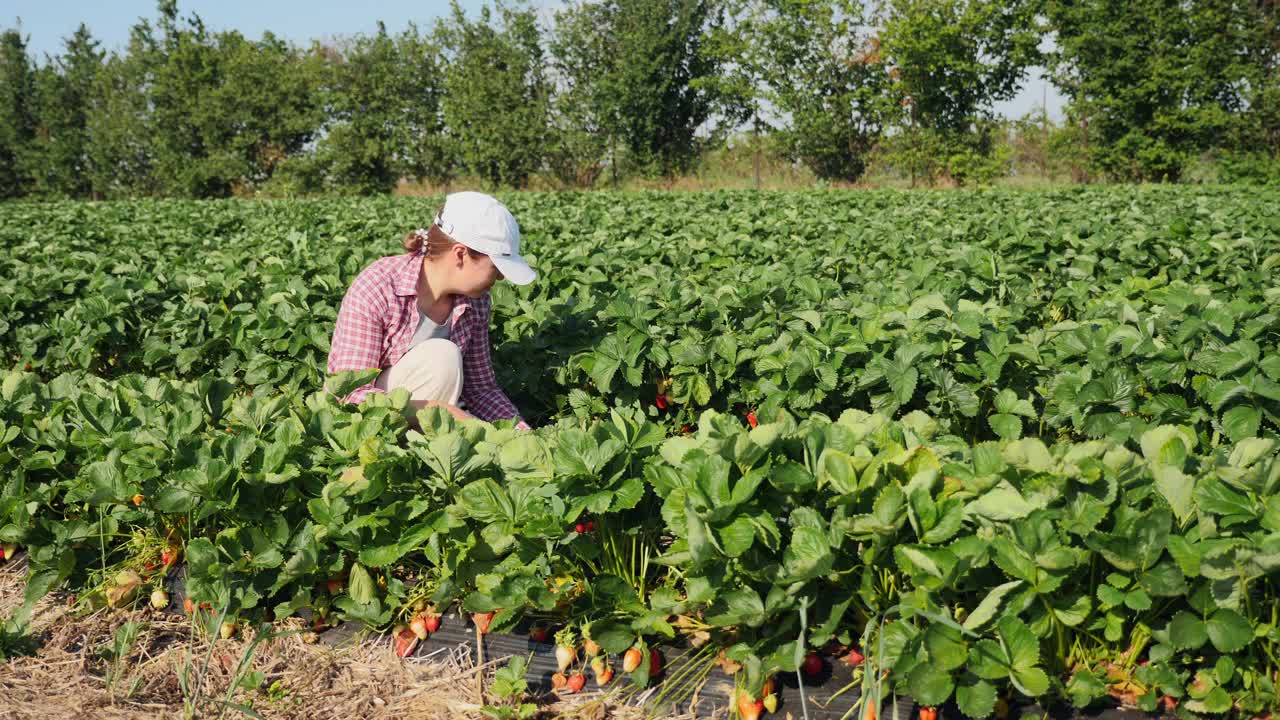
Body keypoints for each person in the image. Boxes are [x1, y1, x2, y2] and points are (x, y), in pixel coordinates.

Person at [327, 191, 534, 429]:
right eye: (496, 266)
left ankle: (429, 452)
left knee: (444, 361)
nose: (500, 276)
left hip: (427, 417)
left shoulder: (476, 302)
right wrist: (440, 411)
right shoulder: (379, 286)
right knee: (442, 357)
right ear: (460, 254)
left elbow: (481, 390)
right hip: (364, 425)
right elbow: (348, 393)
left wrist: (521, 435)